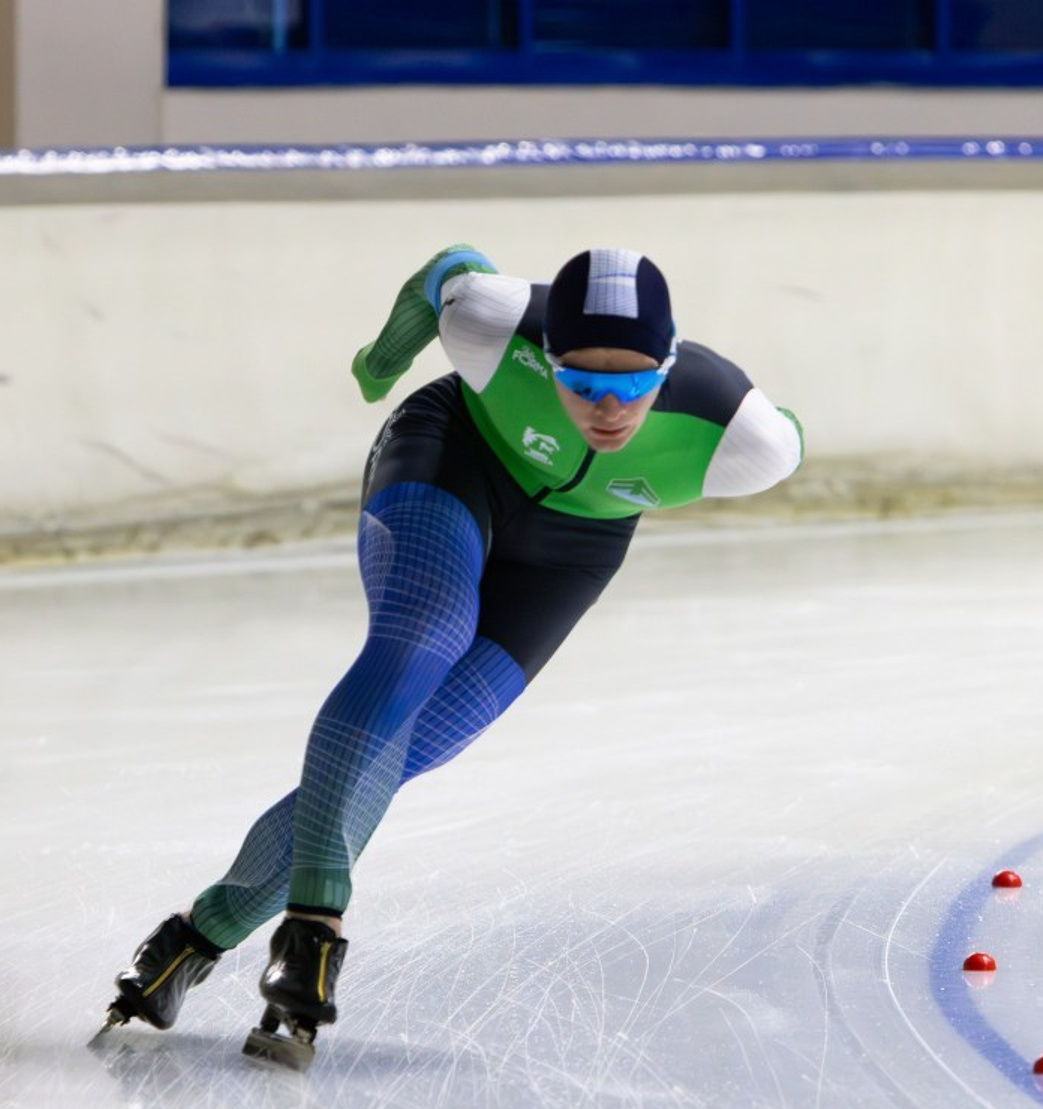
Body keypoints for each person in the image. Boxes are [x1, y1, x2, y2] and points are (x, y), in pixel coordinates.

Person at [96, 244, 804, 1066]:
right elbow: (451, 271)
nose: (608, 411)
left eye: (634, 387)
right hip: (452, 459)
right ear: (545, 359)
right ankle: (314, 929)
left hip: (571, 550)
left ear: (670, 365)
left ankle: (195, 937)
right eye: (581, 385)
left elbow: (788, 429)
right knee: (420, 636)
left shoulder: (745, 441)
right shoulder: (493, 326)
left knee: (410, 745)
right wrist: (383, 358)